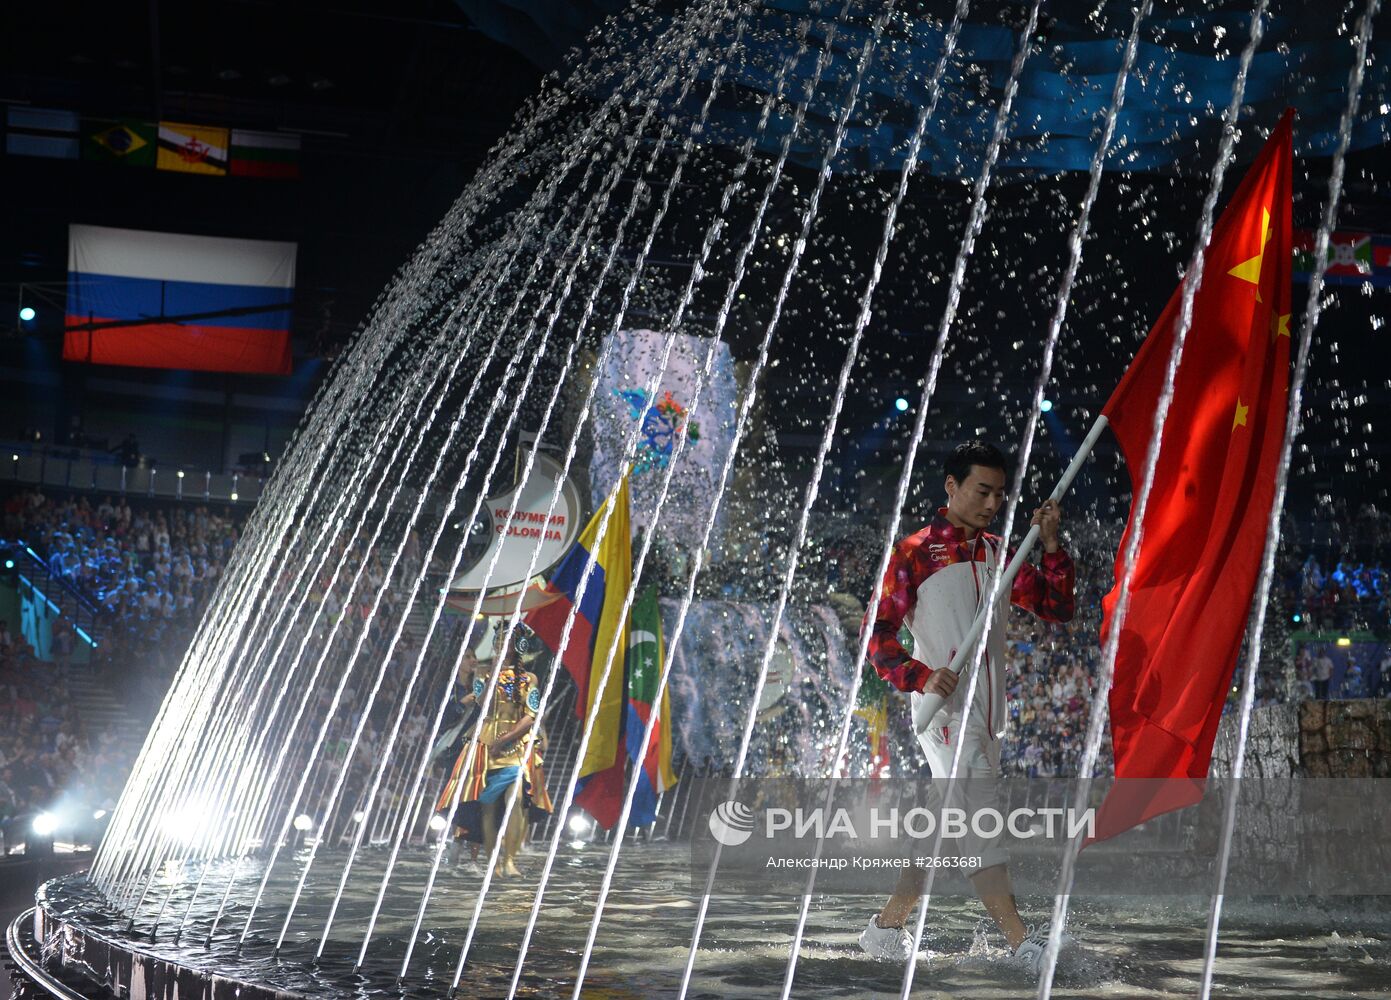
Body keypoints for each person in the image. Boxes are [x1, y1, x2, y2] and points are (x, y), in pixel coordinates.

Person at [856, 440, 1079, 976]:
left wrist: (1049, 546)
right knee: (980, 822)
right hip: (944, 714)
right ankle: (1023, 943)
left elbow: (1057, 607)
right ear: (951, 486)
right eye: (982, 490)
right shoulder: (913, 553)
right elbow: (877, 638)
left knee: (939, 831)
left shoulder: (1002, 552)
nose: (992, 502)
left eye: (1000, 494)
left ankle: (883, 930)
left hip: (988, 715)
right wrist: (922, 676)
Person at [435, 632, 553, 878]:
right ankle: (462, 852)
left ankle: (501, 857)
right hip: (483, 741)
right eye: (497, 643)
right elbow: (482, 705)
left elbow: (530, 714)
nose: (500, 647)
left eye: (506, 643)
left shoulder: (530, 678)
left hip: (516, 743)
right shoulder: (483, 674)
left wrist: (509, 738)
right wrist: (492, 676)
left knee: (512, 799)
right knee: (472, 795)